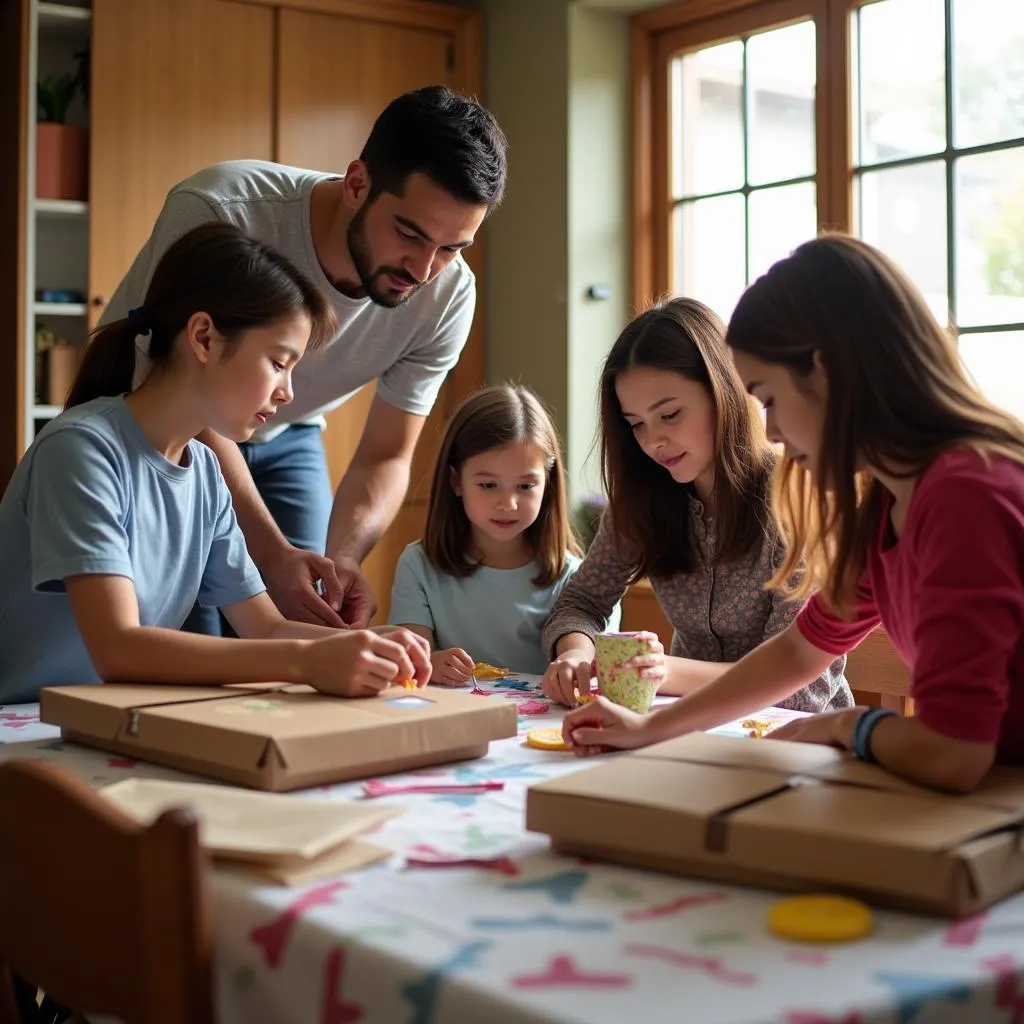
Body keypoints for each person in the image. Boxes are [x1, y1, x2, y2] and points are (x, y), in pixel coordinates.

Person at [562, 235, 1024, 794]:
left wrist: (845, 725)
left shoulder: (965, 495)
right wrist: (650, 728)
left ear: (826, 374)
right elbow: (804, 648)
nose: (772, 430)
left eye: (770, 400)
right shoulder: (887, 503)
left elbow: (955, 754)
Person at [100, 85, 509, 634]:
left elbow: (386, 454)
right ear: (357, 184)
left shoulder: (447, 294)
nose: (424, 268)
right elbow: (182, 389)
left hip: (285, 435)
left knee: (314, 617)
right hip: (157, 430)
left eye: (453, 247)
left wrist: (345, 559)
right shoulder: (222, 210)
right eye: (409, 233)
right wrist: (269, 552)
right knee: (192, 636)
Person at [0, 223, 429, 705]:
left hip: (103, 721)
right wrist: (306, 662)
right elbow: (118, 649)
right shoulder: (81, 450)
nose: (288, 392)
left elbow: (264, 628)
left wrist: (367, 646)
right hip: (22, 728)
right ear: (203, 337)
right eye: (278, 362)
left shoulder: (204, 472)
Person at [541, 297, 850, 711]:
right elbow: (582, 602)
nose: (652, 441)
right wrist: (575, 654)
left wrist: (664, 672)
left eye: (669, 415)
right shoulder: (643, 499)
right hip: (684, 728)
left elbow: (796, 685)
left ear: (723, 391)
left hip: (793, 743)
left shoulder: (794, 496)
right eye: (636, 424)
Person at [388, 385, 617, 681]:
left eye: (525, 486)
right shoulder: (418, 566)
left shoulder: (578, 581)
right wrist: (433, 663)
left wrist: (575, 661)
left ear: (547, 484)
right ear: (456, 482)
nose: (508, 504)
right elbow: (411, 657)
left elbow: (589, 661)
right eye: (488, 485)